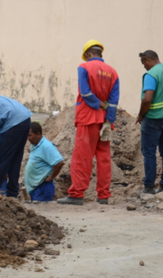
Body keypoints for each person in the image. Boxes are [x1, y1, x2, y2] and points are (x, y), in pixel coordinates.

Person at [58, 40, 119, 206]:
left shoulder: (83, 68)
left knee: (82, 157)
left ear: (89, 54)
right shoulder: (113, 72)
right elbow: (114, 101)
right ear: (100, 53)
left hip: (88, 118)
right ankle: (104, 195)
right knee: (104, 158)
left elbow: (85, 93)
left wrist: (98, 104)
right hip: (104, 121)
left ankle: (77, 194)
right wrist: (109, 120)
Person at [136, 50, 163, 195]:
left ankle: (149, 187)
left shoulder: (151, 74)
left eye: (144, 63)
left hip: (153, 118)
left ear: (148, 59)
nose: (144, 67)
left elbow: (147, 99)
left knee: (149, 153)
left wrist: (140, 115)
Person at [25, 122, 64, 202]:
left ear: (38, 134)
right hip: (36, 188)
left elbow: (59, 162)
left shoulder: (46, 146)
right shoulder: (34, 145)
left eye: (30, 135)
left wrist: (51, 177)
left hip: (43, 188)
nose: (28, 138)